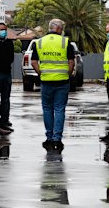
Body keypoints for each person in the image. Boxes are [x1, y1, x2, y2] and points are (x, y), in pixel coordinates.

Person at [31, 19, 75, 151]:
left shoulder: (39, 42)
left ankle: (49, 137)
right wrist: (67, 74)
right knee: (59, 109)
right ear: (59, 29)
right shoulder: (65, 42)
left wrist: (41, 73)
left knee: (47, 109)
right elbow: (71, 62)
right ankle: (57, 139)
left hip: (46, 81)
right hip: (62, 81)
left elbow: (33, 62)